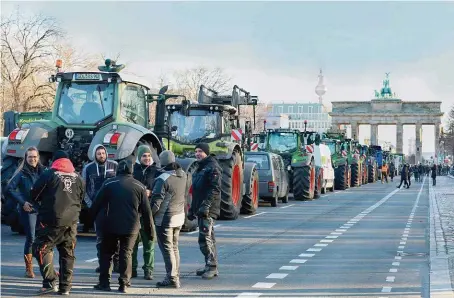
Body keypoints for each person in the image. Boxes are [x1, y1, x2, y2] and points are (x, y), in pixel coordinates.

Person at [91, 158, 154, 293]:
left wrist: (91, 221)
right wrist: (150, 231)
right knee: (126, 253)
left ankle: (104, 283)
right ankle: (124, 283)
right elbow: (146, 211)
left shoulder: (109, 183)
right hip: (131, 226)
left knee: (106, 254)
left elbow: (96, 204)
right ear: (131, 170)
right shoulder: (139, 186)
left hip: (110, 225)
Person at [31, 150, 84, 295]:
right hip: (72, 221)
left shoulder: (49, 174)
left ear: (54, 161)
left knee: (40, 248)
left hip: (51, 221)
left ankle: (50, 281)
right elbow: (81, 198)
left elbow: (35, 193)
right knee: (67, 253)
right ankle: (65, 287)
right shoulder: (78, 177)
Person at [5, 146, 45, 278]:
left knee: (44, 239)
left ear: (38, 157)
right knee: (32, 238)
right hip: (29, 209)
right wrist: (23, 202)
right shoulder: (21, 173)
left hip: (42, 209)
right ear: (26, 158)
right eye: (30, 157)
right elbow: (10, 188)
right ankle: (29, 269)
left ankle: (46, 268)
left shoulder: (44, 172)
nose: (32, 159)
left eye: (34, 156)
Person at [152, 150, 186, 288]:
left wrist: (148, 214)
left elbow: (156, 202)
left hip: (165, 219)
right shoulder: (183, 174)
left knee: (167, 249)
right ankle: (175, 274)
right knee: (174, 247)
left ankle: (172, 278)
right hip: (179, 216)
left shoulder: (163, 179)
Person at [82, 144, 119, 273]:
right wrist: (90, 204)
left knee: (115, 235)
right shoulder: (88, 168)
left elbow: (120, 183)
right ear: (95, 155)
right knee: (100, 237)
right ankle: (102, 263)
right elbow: (84, 188)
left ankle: (117, 263)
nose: (101, 155)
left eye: (103, 153)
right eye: (99, 153)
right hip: (97, 208)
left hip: (114, 207)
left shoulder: (114, 165)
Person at [188, 143, 221, 280]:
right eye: (196, 151)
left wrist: (206, 206)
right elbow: (197, 191)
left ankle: (212, 267)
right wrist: (192, 209)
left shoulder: (212, 167)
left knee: (205, 239)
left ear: (206, 152)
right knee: (208, 238)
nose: (197, 153)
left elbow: (215, 189)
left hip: (208, 210)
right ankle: (210, 265)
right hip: (201, 209)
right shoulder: (201, 167)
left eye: (200, 151)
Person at [132, 145, 158, 280]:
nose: (147, 158)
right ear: (139, 157)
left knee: (149, 242)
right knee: (133, 243)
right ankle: (132, 269)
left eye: (149, 156)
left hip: (149, 212)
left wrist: (151, 192)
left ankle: (148, 269)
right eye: (144, 156)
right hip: (135, 213)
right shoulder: (133, 171)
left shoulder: (156, 171)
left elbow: (160, 190)